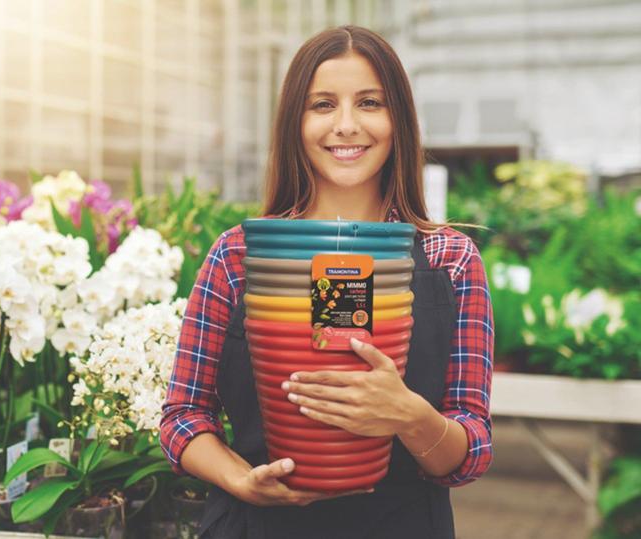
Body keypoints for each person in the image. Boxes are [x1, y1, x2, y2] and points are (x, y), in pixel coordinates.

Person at [160, 25, 493, 539]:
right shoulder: (237, 256)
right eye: (322, 105)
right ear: (295, 121)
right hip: (255, 526)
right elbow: (183, 417)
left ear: (398, 120)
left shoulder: (451, 260)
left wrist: (409, 415)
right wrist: (242, 480)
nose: (345, 125)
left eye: (369, 103)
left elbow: (471, 451)